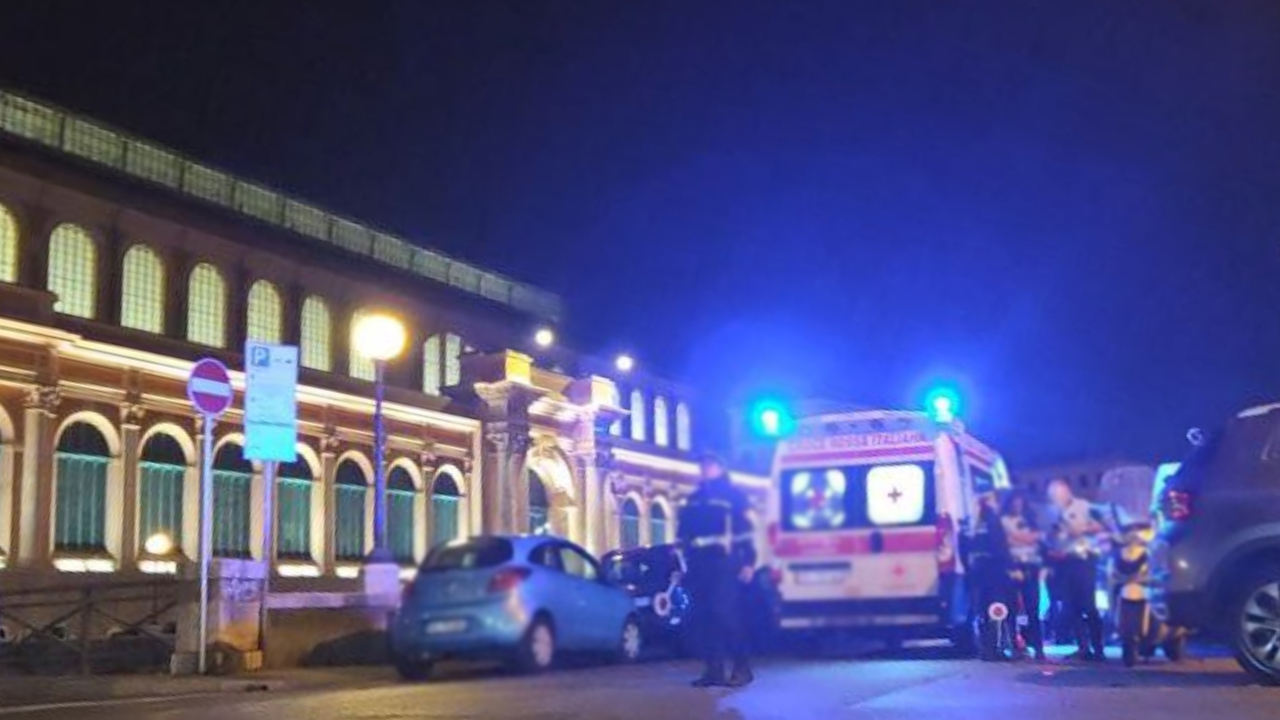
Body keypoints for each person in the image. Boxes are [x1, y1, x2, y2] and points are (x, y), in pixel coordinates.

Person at [677, 452, 757, 688]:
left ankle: (742, 668)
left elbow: (744, 532)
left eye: (710, 464)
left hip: (724, 562)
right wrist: (681, 559)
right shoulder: (694, 499)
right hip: (699, 563)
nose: (705, 468)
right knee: (705, 618)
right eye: (703, 464)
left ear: (721, 467)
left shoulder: (733, 496)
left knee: (725, 615)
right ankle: (714, 670)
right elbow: (684, 531)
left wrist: (749, 561)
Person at [1047, 478, 1108, 661]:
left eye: (1058, 494)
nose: (1056, 498)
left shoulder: (1084, 506)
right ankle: (1083, 647)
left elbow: (1100, 525)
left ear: (1067, 491)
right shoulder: (1054, 513)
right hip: (1064, 561)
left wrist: (1081, 530)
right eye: (1053, 496)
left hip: (1084, 559)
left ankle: (1098, 648)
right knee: (1071, 606)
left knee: (1088, 605)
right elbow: (1052, 536)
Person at [963, 484, 1015, 661]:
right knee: (996, 610)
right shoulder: (993, 519)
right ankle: (995, 648)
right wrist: (1010, 567)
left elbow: (965, 547)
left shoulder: (972, 522)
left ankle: (986, 649)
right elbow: (1001, 545)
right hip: (994, 572)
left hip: (977, 573)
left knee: (982, 611)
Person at [1001, 491, 1046, 661]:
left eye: (1020, 502)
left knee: (1033, 608)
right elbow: (1005, 541)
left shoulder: (1030, 520)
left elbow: (1037, 538)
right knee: (1011, 608)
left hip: (1031, 566)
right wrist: (1024, 538)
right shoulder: (1003, 520)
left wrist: (1016, 537)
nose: (1017, 505)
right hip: (1013, 566)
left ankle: (1039, 648)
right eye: (1014, 502)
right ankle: (1014, 646)